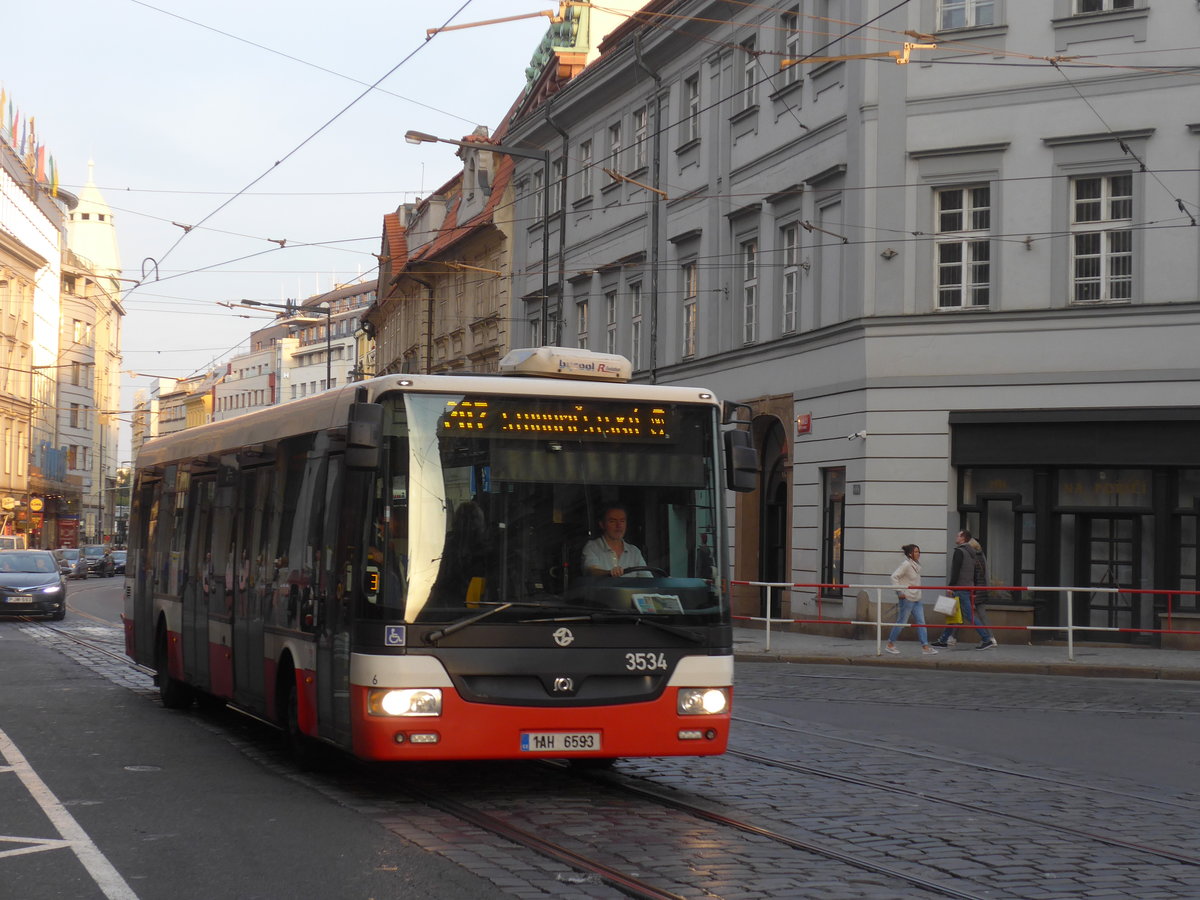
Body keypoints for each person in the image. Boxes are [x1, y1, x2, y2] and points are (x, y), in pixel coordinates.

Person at [932, 530, 997, 650]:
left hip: (960, 587)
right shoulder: (972, 553)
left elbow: (955, 571)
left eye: (958, 535)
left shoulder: (959, 552)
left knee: (969, 615)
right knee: (953, 613)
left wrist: (951, 587)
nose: (956, 537)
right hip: (968, 587)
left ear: (963, 538)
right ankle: (943, 640)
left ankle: (986, 639)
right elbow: (975, 574)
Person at [885, 544, 938, 656]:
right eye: (916, 552)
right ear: (910, 554)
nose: (918, 554)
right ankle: (890, 644)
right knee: (902, 622)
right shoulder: (906, 564)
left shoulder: (916, 565)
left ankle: (925, 647)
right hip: (907, 598)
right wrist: (899, 591)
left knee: (921, 623)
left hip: (917, 598)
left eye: (919, 551)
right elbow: (894, 576)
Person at [582, 504, 647, 577]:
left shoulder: (635, 552)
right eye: (612, 521)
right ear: (602, 524)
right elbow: (591, 571)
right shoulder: (592, 547)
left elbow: (648, 580)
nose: (618, 525)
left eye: (622, 521)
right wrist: (610, 573)